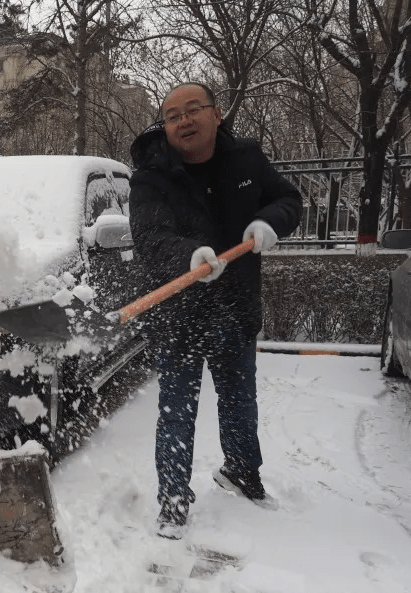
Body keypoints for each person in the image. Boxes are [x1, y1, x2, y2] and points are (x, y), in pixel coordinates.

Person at [128, 82, 302, 539]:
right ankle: (172, 501)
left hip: (234, 307)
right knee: (178, 409)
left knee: (240, 400)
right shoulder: (150, 176)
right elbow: (149, 236)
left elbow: (289, 199)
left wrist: (269, 223)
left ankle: (243, 473)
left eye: (192, 110)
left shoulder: (246, 160)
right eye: (171, 115)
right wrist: (188, 255)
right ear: (164, 126)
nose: (183, 120)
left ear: (216, 113)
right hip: (179, 312)